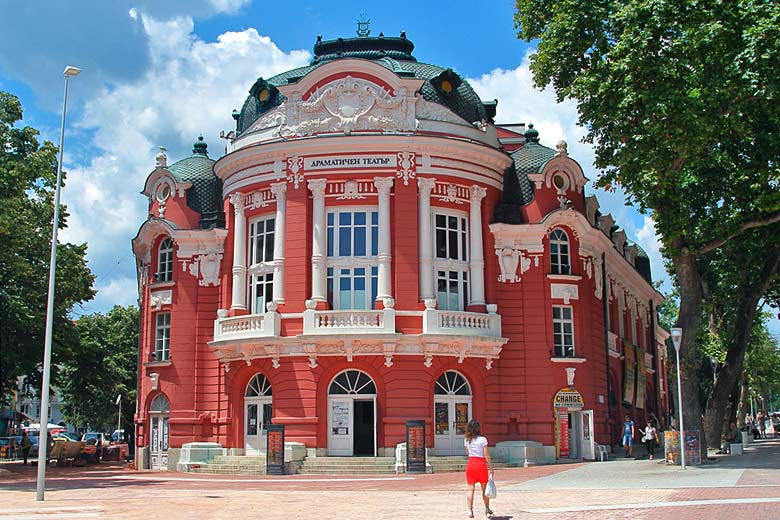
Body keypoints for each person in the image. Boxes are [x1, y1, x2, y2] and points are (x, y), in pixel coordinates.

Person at [464, 419, 494, 519]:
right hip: (481, 464)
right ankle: (487, 509)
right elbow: (486, 454)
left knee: (470, 488)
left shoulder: (467, 440)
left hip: (471, 464)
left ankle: (470, 510)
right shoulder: (483, 439)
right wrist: (491, 467)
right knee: (484, 489)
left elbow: (468, 453)